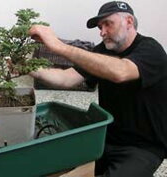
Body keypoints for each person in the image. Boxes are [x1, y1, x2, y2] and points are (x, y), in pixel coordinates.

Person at [29, 1, 167, 177]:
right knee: (51, 162)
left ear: (129, 21)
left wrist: (59, 46)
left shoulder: (151, 50)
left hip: (143, 147)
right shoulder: (102, 50)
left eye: (108, 24)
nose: (102, 32)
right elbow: (67, 79)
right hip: (106, 137)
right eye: (100, 27)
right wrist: (31, 69)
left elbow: (121, 71)